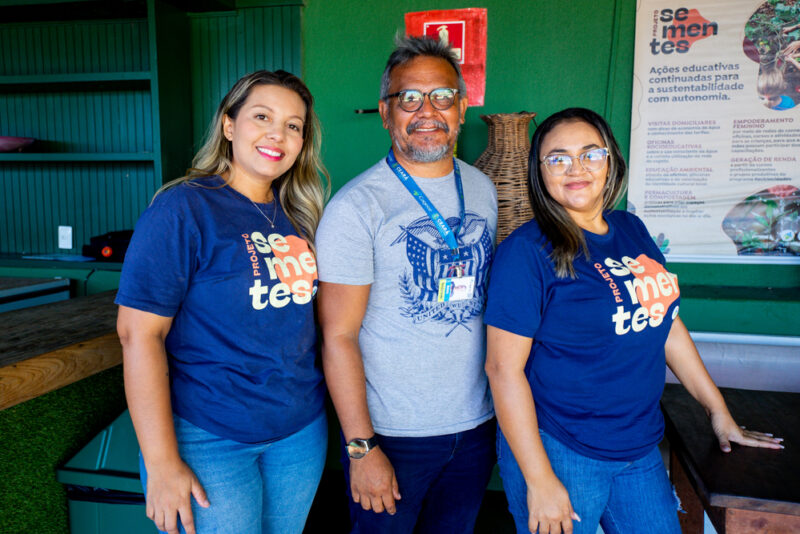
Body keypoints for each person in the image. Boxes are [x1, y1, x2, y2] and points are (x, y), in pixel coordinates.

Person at [483, 107, 784, 534]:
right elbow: (502, 370)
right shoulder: (527, 252)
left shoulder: (631, 229)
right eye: (558, 157)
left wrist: (718, 412)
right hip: (561, 447)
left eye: (591, 153)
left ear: (611, 162)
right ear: (539, 170)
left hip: (638, 444)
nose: (576, 168)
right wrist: (540, 479)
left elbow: (668, 327)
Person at [116, 69, 330, 534]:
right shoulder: (183, 209)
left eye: (294, 125)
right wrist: (162, 461)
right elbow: (138, 335)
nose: (278, 134)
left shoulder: (299, 215)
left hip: (299, 432)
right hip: (209, 435)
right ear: (229, 126)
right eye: (262, 116)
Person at [315, 36, 498, 533]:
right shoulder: (357, 208)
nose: (426, 111)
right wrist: (361, 447)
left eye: (441, 96)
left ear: (461, 108)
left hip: (476, 426)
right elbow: (338, 336)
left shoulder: (481, 189)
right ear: (385, 111)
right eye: (409, 98)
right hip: (392, 435)